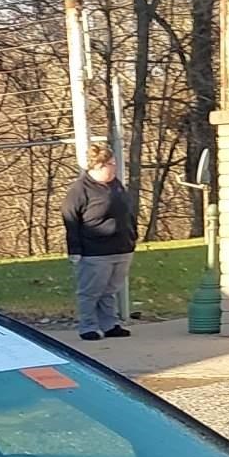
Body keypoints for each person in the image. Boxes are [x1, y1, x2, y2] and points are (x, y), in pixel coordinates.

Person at [60, 142, 137, 340]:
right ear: (98, 166)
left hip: (122, 246)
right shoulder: (80, 190)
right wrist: (75, 250)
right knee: (91, 291)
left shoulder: (116, 185)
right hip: (95, 251)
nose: (114, 168)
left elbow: (128, 211)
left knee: (110, 290)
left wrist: (132, 235)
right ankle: (88, 326)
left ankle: (109, 324)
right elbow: (70, 219)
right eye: (110, 164)